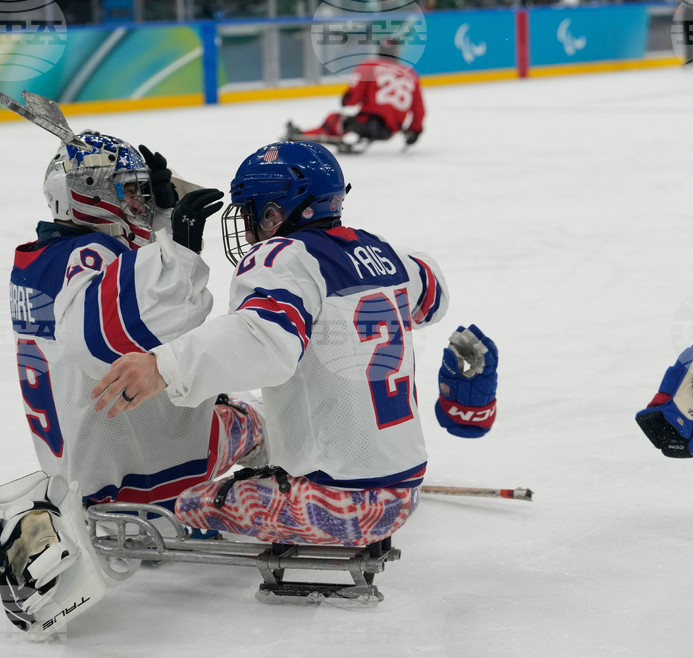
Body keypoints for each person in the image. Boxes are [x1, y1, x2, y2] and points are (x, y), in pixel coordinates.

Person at [90, 141, 497, 547]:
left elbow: (261, 339)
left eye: (252, 212)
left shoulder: (283, 257)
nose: (248, 228)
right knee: (261, 421)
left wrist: (164, 366)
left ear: (273, 213)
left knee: (187, 504)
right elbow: (433, 292)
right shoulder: (389, 255)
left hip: (336, 503)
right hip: (404, 494)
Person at [0, 131, 265, 637]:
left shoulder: (43, 258)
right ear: (89, 191)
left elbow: (128, 283)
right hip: (136, 464)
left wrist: (163, 220)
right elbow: (151, 321)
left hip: (81, 468)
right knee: (259, 418)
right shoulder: (89, 257)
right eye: (128, 190)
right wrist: (185, 248)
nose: (139, 203)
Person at [285, 41, 425, 150]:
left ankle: (302, 136)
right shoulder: (411, 74)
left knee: (335, 119)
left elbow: (352, 99)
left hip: (369, 123)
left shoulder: (370, 65)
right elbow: (419, 111)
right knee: (351, 121)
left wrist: (347, 99)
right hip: (390, 130)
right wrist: (414, 131)